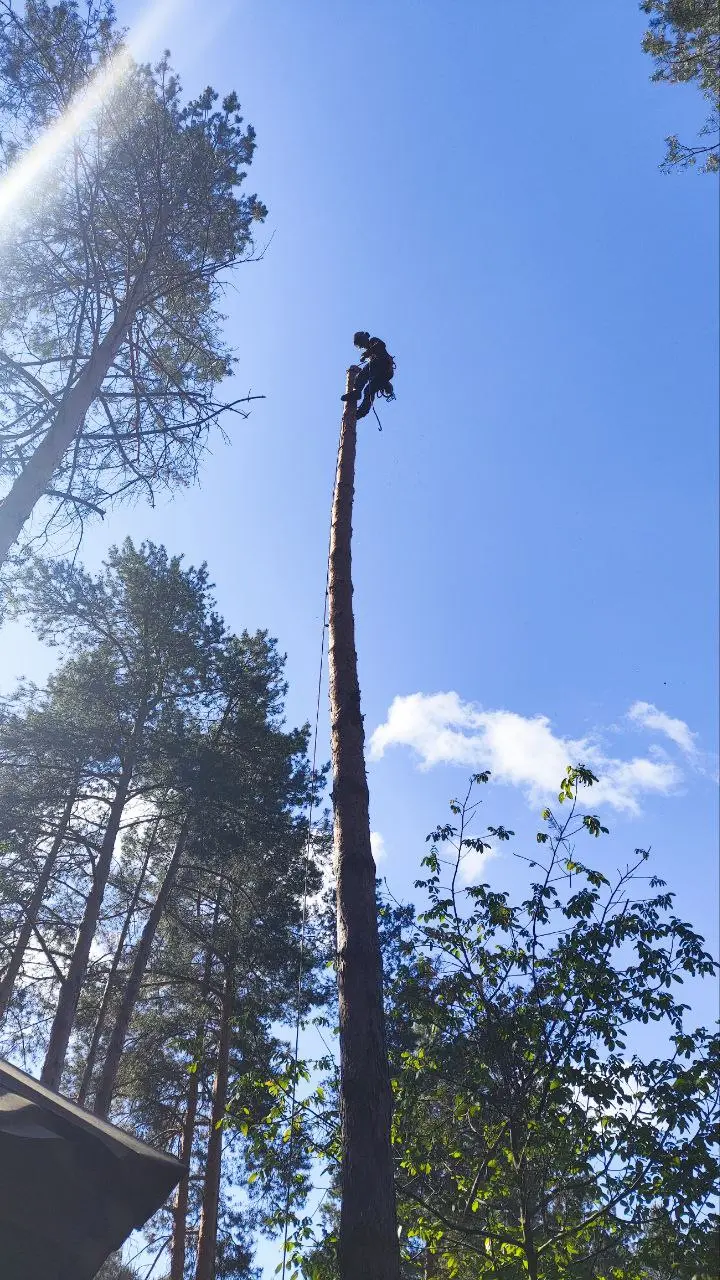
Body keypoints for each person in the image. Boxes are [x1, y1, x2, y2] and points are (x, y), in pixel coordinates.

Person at [341, 331, 395, 419]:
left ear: (364, 339)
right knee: (369, 390)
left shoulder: (373, 341)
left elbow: (381, 345)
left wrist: (366, 354)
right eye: (360, 346)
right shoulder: (371, 353)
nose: (362, 346)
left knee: (363, 374)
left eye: (360, 343)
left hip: (383, 365)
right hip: (384, 373)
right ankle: (360, 412)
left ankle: (357, 393)